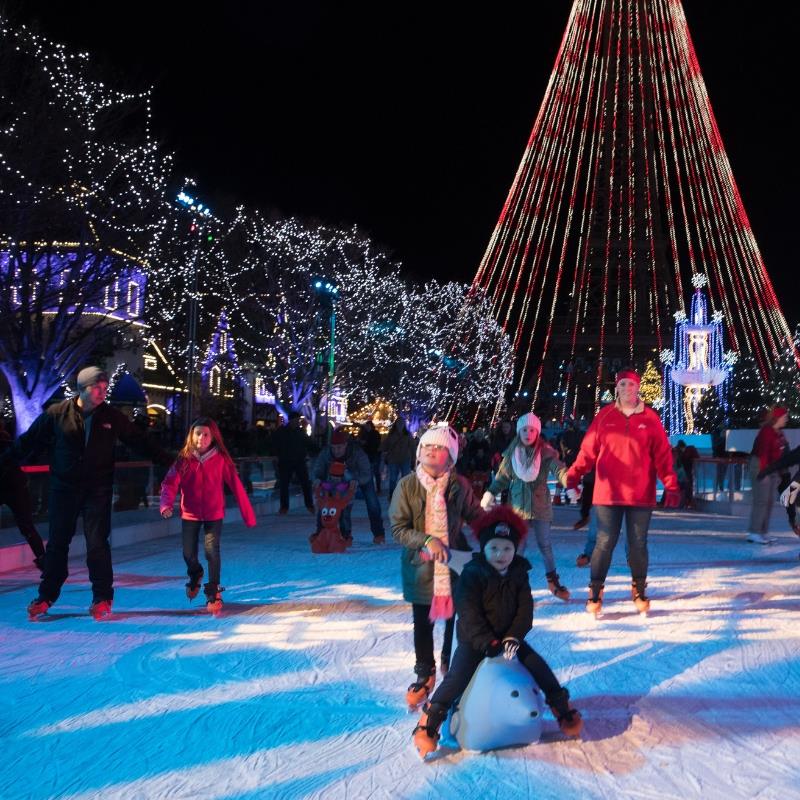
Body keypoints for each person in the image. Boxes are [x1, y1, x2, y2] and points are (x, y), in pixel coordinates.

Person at [411, 505, 582, 759]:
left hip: (509, 639)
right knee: (458, 676)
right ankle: (431, 719)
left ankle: (560, 707)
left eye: (507, 548)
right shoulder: (473, 573)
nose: (501, 554)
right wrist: (486, 641)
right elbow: (468, 613)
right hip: (475, 641)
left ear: (515, 549)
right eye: (494, 548)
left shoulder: (519, 573)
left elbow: (525, 610)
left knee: (538, 665)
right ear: (484, 547)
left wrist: (514, 636)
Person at [2, 367, 173, 620]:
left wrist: (169, 460)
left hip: (97, 490)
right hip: (64, 489)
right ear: (83, 388)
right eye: (98, 387)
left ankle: (102, 596)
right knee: (58, 544)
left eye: (105, 388)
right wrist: (4, 461)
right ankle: (46, 595)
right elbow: (28, 442)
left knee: (97, 545)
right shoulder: (57, 414)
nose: (103, 392)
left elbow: (139, 441)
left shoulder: (111, 417)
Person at [566, 369, 680, 616]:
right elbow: (587, 452)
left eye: (632, 384)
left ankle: (639, 589)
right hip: (608, 494)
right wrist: (573, 476)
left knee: (638, 544)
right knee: (604, 542)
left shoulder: (650, 418)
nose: (628, 388)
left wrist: (670, 483)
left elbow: (662, 455)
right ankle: (595, 592)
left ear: (638, 388)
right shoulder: (605, 416)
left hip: (640, 494)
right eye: (623, 384)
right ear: (617, 388)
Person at [389, 424, 481, 710]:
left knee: (458, 618)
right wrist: (427, 540)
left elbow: (476, 516)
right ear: (419, 452)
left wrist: (500, 532)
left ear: (451, 457)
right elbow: (398, 528)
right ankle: (425, 671)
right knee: (423, 623)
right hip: (420, 566)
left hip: (454, 563)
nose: (432, 450)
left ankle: (451, 665)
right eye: (427, 446)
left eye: (439, 447)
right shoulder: (407, 485)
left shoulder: (458, 486)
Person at [160, 417, 256, 613]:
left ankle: (213, 591)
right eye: (198, 434)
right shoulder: (184, 459)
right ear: (191, 435)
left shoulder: (221, 459)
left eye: (206, 435)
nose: (201, 438)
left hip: (213, 513)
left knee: (212, 551)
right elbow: (170, 483)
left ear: (212, 438)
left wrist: (248, 515)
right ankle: (195, 574)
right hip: (190, 513)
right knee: (188, 553)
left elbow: (237, 487)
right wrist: (165, 504)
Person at [481, 412, 571, 600]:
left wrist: (569, 482)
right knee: (517, 547)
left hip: (541, 508)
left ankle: (552, 580)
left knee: (545, 545)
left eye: (532, 430)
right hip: (518, 508)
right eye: (524, 430)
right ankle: (512, 583)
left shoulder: (546, 453)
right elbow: (502, 478)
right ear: (518, 431)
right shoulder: (511, 454)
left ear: (537, 432)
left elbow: (559, 469)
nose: (528, 433)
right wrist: (490, 493)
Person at [313, 428, 386, 544]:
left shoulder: (357, 453)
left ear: (345, 445)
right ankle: (323, 532)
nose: (336, 451)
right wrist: (317, 478)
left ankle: (379, 533)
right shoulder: (326, 453)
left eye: (339, 447)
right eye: (334, 448)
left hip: (361, 479)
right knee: (328, 504)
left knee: (373, 503)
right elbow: (318, 467)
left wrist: (356, 480)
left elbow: (366, 473)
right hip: (338, 481)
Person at [0, 421, 45, 570]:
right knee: (27, 527)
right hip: (16, 486)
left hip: (13, 486)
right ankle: (43, 559)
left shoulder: (7, 444)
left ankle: (44, 559)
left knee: (27, 526)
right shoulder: (9, 443)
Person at [746, 406, 788, 544]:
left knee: (769, 501)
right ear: (777, 418)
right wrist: (763, 472)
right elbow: (762, 453)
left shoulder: (779, 433)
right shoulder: (767, 431)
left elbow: (781, 453)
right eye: (784, 416)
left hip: (771, 467)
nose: (786, 419)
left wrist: (779, 471)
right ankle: (754, 532)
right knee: (761, 500)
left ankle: (762, 532)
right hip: (760, 465)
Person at [271, 411, 315, 515]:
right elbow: (273, 443)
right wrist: (276, 455)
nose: (298, 422)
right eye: (296, 420)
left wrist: (320, 450)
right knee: (284, 484)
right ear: (291, 420)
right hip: (286, 461)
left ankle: (309, 505)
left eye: (298, 420)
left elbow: (309, 444)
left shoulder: (300, 432)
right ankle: (284, 507)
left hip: (299, 461)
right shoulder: (281, 431)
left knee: (305, 484)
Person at [383, 416, 415, 500]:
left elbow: (412, 447)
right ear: (396, 424)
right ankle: (392, 494)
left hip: (405, 459)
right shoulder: (391, 434)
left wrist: (413, 459)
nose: (400, 425)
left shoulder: (407, 434)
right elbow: (386, 445)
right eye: (398, 423)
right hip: (393, 459)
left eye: (401, 423)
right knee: (393, 478)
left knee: (405, 478)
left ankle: (405, 495)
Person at [358, 420, 383, 494]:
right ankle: (374, 488)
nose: (367, 427)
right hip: (370, 454)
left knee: (374, 472)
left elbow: (373, 444)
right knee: (372, 472)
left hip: (373, 454)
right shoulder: (368, 433)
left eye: (368, 426)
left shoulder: (373, 434)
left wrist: (365, 443)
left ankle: (376, 488)